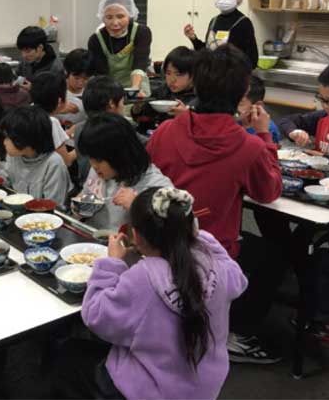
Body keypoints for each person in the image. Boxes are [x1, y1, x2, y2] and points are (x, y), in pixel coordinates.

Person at [146, 45, 283, 363]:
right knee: (273, 254)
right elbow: (268, 191)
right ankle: (235, 333)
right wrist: (265, 137)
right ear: (243, 92)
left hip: (160, 242)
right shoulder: (248, 145)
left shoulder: (166, 131)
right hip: (212, 252)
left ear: (196, 83)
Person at [54, 187, 247, 399]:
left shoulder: (143, 278)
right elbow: (238, 278)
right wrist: (200, 238)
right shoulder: (216, 264)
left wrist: (111, 263)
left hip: (149, 390)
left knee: (65, 354)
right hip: (204, 387)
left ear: (135, 235)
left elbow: (96, 316)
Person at [75, 113, 173, 230]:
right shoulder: (98, 171)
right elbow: (84, 197)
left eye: (99, 160)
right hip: (93, 242)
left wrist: (136, 207)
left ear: (120, 155)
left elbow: (179, 232)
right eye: (90, 158)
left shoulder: (156, 185)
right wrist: (79, 206)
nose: (93, 165)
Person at [0, 106, 71, 205]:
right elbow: (9, 181)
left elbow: (53, 205)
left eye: (7, 138)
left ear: (23, 140)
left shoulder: (53, 164)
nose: (4, 142)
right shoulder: (16, 155)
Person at [183, 0, 258, 68]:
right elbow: (207, 52)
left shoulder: (243, 23)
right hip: (210, 77)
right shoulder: (214, 21)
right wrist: (193, 38)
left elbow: (252, 60)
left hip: (230, 80)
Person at [88, 0, 151, 96]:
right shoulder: (96, 40)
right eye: (109, 17)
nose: (115, 23)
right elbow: (102, 74)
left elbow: (140, 63)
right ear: (102, 18)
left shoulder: (141, 32)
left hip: (138, 86)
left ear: (130, 16)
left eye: (120, 16)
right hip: (110, 89)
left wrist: (134, 89)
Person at [278, 61, 329, 166]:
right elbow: (287, 121)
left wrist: (325, 159)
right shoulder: (323, 117)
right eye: (321, 99)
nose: (325, 106)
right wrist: (294, 132)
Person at [73, 75, 127, 185]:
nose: (123, 105)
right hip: (107, 187)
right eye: (122, 101)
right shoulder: (115, 131)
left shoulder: (79, 128)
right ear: (112, 103)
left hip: (85, 185)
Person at [133, 46, 196, 134]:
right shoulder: (162, 90)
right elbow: (141, 119)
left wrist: (186, 116)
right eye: (168, 73)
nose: (172, 79)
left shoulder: (200, 97)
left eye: (178, 74)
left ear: (193, 75)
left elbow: (205, 131)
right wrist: (138, 107)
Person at [29, 71, 76, 167]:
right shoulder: (51, 123)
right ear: (59, 100)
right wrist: (81, 147)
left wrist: (67, 133)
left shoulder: (27, 113)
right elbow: (66, 161)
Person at [56, 48, 94, 128]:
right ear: (66, 71)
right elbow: (37, 113)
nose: (80, 83)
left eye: (86, 78)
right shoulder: (55, 88)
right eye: (76, 78)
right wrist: (58, 110)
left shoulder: (93, 90)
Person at [238, 75, 280, 143]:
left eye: (239, 103)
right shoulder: (233, 122)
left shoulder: (267, 129)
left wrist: (247, 128)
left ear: (257, 105)